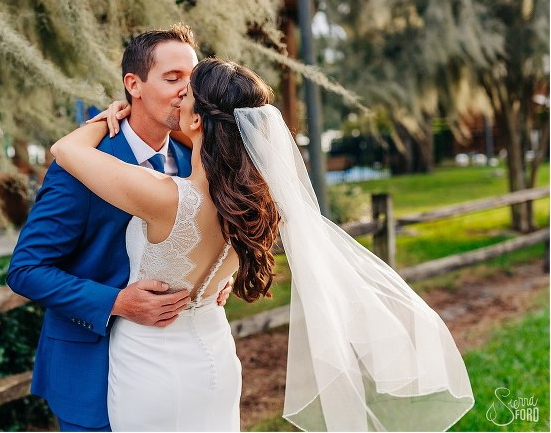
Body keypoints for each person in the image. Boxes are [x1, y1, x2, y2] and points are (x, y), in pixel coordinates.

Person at [52, 57, 475, 431]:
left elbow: (64, 149)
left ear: (199, 120)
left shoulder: (164, 196)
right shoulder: (256, 202)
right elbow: (217, 144)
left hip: (152, 368)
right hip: (214, 359)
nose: (178, 99)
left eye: (187, 97)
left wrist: (113, 115)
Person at [6, 24, 232, 432]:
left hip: (174, 375)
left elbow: (203, 238)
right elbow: (25, 270)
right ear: (134, 84)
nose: (186, 89)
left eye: (191, 78)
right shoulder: (81, 163)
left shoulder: (193, 158)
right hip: (90, 369)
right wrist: (116, 302)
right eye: (171, 78)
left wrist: (212, 278)